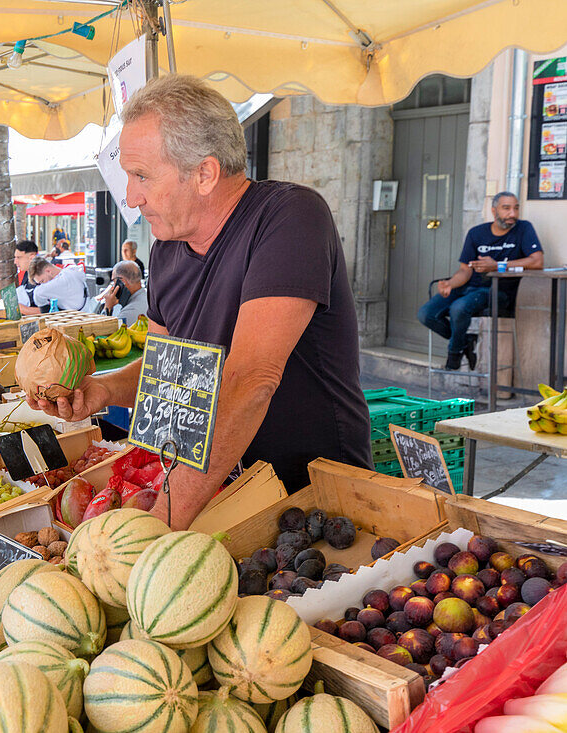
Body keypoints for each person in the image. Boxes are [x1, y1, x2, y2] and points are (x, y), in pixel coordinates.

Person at [29, 74, 372, 529]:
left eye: (142, 176)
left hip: (312, 497)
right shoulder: (166, 248)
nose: (132, 198)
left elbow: (251, 379)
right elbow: (165, 366)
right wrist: (105, 389)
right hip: (218, 492)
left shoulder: (290, 218)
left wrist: (163, 522)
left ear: (206, 173)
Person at [417, 191, 543, 370]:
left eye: (516, 208)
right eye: (506, 208)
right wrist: (450, 283)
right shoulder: (476, 233)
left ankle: (454, 352)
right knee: (426, 314)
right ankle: (465, 341)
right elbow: (464, 270)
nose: (512, 214)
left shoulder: (524, 229)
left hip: (498, 291)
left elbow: (537, 261)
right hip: (468, 287)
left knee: (458, 308)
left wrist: (497, 265)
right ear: (494, 211)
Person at [98, 260, 148, 326]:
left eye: (114, 281)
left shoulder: (128, 312)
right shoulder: (149, 298)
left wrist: (107, 308)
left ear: (121, 282)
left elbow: (103, 331)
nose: (113, 287)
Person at [13, 239, 43, 316]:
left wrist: (20, 308)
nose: (15, 262)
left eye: (18, 257)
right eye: (15, 258)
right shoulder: (27, 273)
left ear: (31, 258)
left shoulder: (43, 276)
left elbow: (51, 310)